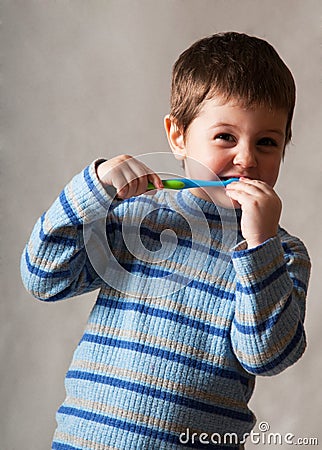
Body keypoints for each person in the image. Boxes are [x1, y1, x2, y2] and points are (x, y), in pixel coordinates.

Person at [21, 32, 311, 449]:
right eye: (225, 137)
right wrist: (92, 190)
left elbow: (266, 355)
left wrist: (258, 245)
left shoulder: (282, 254)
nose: (247, 159)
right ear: (178, 136)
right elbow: (43, 277)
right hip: (87, 440)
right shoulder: (141, 216)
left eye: (267, 142)